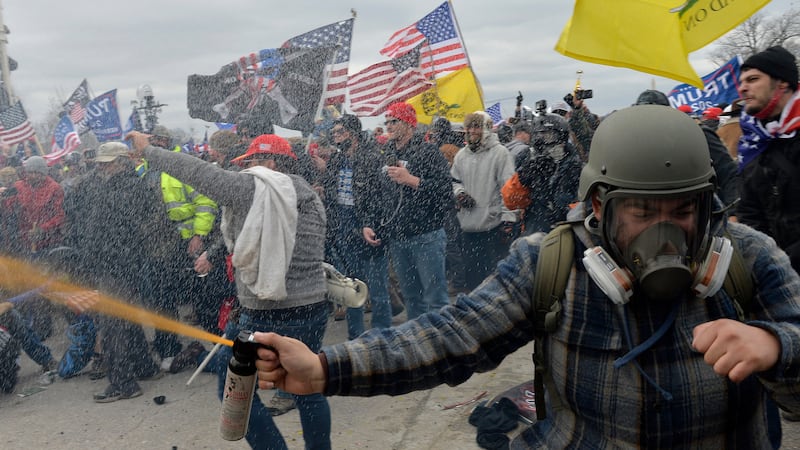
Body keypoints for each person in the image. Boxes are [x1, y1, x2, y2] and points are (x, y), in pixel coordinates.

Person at [251, 105, 800, 449]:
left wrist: (779, 345)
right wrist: (326, 367)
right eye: (641, 212)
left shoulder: (747, 257)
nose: (668, 231)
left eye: (684, 212)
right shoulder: (550, 263)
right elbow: (450, 336)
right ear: (599, 206)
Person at [126, 130, 331, 450]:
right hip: (310, 307)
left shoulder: (259, 186)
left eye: (249, 162)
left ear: (269, 162)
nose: (243, 170)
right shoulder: (305, 194)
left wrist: (150, 151)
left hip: (269, 314)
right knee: (306, 388)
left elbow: (201, 174)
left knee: (234, 391)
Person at [64, 142, 170, 403]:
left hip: (116, 262)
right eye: (101, 163)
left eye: (107, 162)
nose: (102, 167)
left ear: (122, 161)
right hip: (117, 262)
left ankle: (123, 383)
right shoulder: (116, 185)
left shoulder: (124, 188)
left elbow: (113, 228)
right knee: (128, 316)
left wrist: (96, 255)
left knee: (112, 325)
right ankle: (145, 367)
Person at [361, 102, 453, 320]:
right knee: (412, 297)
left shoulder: (429, 152)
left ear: (409, 124)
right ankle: (418, 346)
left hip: (426, 235)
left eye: (395, 121)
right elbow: (378, 194)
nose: (389, 126)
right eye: (388, 122)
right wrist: (369, 223)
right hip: (398, 237)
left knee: (435, 299)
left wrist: (412, 180)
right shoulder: (387, 153)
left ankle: (442, 347)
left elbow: (445, 192)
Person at [322, 114, 393, 337]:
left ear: (353, 133)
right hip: (343, 231)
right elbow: (332, 194)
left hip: (368, 230)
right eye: (333, 133)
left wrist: (368, 223)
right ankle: (356, 337)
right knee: (350, 290)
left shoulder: (372, 157)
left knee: (378, 288)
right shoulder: (336, 160)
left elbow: (380, 197)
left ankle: (383, 336)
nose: (335, 137)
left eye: (340, 132)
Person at [737, 45, 800, 273]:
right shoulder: (752, 142)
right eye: (742, 81)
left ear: (782, 82)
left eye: (753, 79)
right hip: (779, 277)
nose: (743, 88)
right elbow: (749, 213)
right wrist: (765, 261)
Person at [634, 89, 740, 212]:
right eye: (642, 115)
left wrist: (732, 212)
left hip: (700, 214)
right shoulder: (636, 142)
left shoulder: (697, 134)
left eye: (654, 114)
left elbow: (728, 173)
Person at [451, 111, 515, 290]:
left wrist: (508, 220)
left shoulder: (500, 153)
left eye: (477, 126)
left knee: (493, 282)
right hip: (468, 228)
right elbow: (454, 181)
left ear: (486, 129)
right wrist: (460, 194)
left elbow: (509, 188)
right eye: (469, 126)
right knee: (472, 281)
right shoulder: (461, 155)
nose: (472, 130)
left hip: (493, 227)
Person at [511, 113, 582, 234]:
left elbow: (587, 206)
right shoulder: (528, 159)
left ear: (562, 137)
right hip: (534, 229)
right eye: (539, 135)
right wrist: (523, 176)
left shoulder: (575, 166)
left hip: (567, 232)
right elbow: (511, 201)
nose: (543, 141)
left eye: (548, 135)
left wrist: (565, 211)